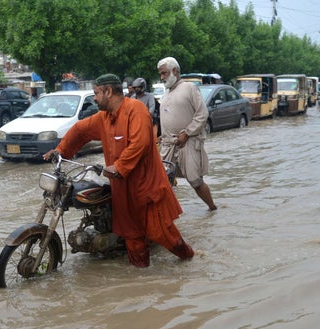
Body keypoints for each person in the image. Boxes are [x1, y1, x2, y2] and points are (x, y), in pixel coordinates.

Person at [42, 73, 194, 268]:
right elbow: (80, 130)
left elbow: (140, 143)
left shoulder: (135, 110)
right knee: (132, 237)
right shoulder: (103, 118)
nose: (94, 98)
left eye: (97, 93)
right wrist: (61, 150)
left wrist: (119, 166)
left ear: (108, 92)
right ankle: (141, 278)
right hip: (121, 189)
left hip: (146, 188)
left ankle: (189, 259)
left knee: (163, 234)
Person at [157, 56, 217, 211]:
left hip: (188, 142)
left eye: (164, 73)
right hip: (168, 144)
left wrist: (188, 132)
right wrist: (161, 137)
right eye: (160, 74)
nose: (162, 77)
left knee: (195, 181)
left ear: (174, 71)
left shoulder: (189, 88)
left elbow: (202, 114)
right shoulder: (167, 93)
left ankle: (212, 208)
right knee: (161, 181)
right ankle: (168, 215)